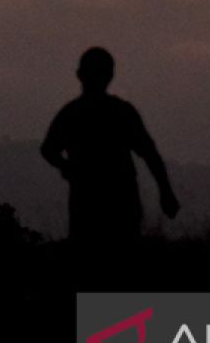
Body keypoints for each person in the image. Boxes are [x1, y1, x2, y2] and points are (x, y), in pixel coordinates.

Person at [40, 47, 180, 253]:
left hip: (89, 201)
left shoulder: (72, 113)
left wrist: (67, 168)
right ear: (111, 75)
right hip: (118, 202)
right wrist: (165, 192)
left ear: (79, 75)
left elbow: (48, 150)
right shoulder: (121, 112)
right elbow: (150, 154)